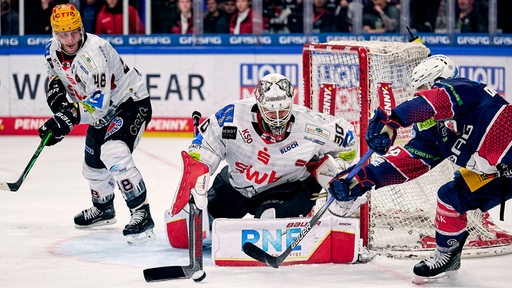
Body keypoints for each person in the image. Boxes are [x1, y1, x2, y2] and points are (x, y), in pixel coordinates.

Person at [328, 55, 512, 282]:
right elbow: (412, 159)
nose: (421, 94)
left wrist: (394, 120)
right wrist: (365, 177)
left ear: (439, 81)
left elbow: (433, 102)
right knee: (450, 197)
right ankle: (447, 254)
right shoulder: (436, 130)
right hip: (497, 174)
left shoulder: (464, 89)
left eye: (425, 88)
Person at [39, 3, 154, 245]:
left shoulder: (95, 55)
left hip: (130, 102)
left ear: (81, 28)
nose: (70, 39)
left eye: (74, 32)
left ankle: (141, 212)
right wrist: (58, 99)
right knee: (92, 165)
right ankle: (103, 208)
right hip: (102, 110)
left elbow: (97, 106)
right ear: (54, 33)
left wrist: (67, 118)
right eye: (63, 34)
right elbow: (54, 74)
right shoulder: (50, 50)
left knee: (113, 152)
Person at [177, 73, 359, 222]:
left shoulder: (310, 125)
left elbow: (349, 139)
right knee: (185, 228)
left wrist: (339, 171)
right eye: (272, 111)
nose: (278, 118)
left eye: (283, 110)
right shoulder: (232, 116)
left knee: (268, 224)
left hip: (286, 191)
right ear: (259, 104)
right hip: (237, 186)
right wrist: (197, 177)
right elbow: (203, 148)